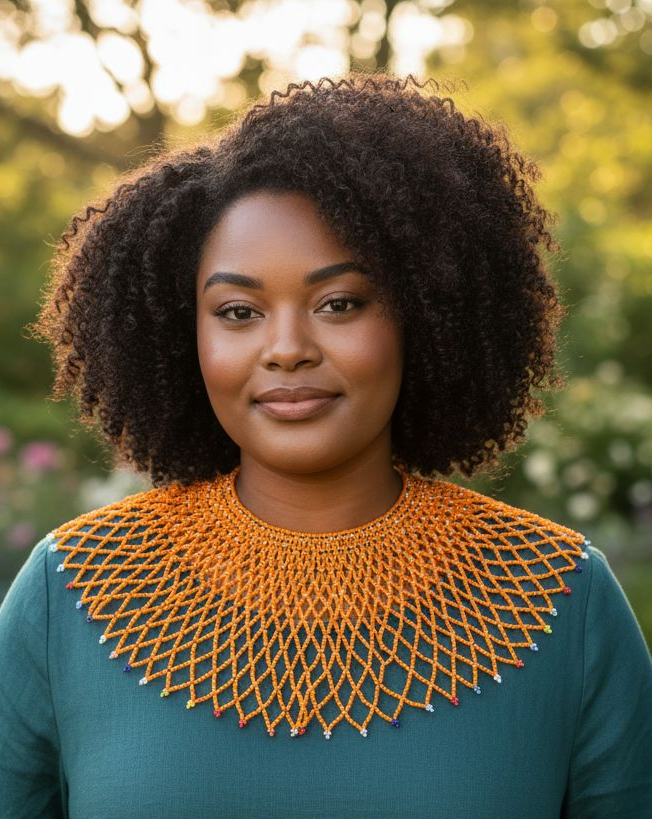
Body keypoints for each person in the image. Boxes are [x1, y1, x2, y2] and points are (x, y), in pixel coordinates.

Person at [1, 73, 651, 819]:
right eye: (239, 310)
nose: (286, 349)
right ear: (187, 336)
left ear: (427, 311)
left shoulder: (563, 598)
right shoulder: (70, 592)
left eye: (339, 303)